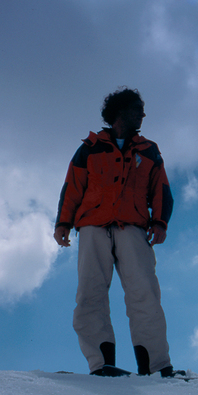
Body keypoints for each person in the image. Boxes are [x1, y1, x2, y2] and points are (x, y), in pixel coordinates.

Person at [54, 87, 182, 378]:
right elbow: (72, 188)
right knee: (90, 295)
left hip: (133, 229)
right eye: (138, 108)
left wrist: (160, 222)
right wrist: (63, 224)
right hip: (92, 229)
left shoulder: (148, 150)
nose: (143, 114)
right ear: (120, 112)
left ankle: (157, 367)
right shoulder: (89, 148)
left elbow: (160, 189)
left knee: (145, 295)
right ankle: (102, 365)